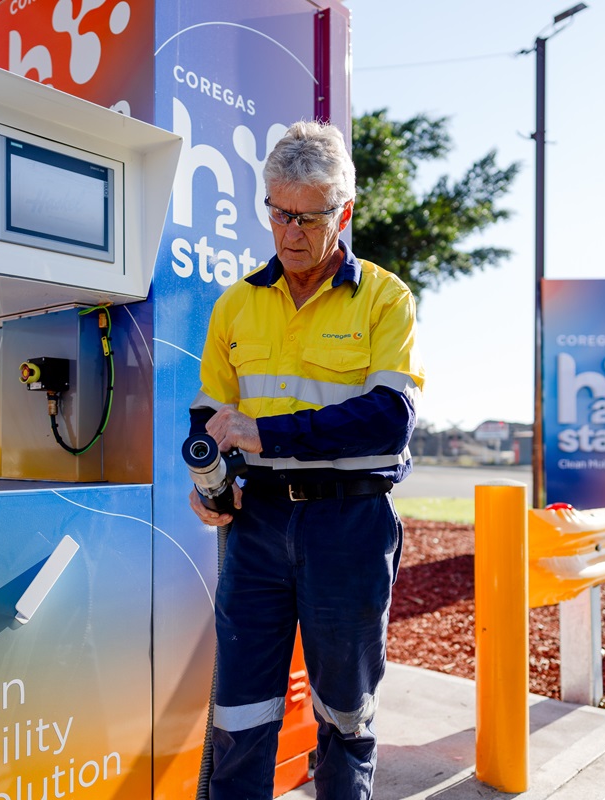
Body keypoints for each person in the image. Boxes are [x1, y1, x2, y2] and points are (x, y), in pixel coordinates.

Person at [187, 119, 425, 799]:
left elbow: (391, 420)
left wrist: (268, 435)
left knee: (345, 713)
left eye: (308, 217)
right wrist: (210, 484)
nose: (289, 231)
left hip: (348, 527)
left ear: (342, 212)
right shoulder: (236, 305)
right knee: (240, 710)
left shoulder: (386, 298)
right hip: (255, 526)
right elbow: (211, 417)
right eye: (277, 211)